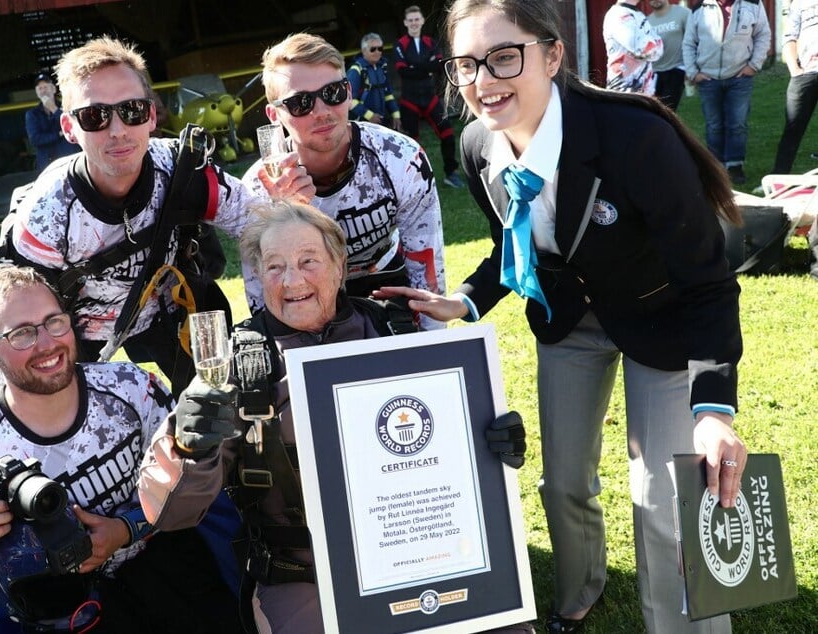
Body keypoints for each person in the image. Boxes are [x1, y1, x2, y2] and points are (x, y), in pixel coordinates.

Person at [376, 0, 746, 632]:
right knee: (562, 483)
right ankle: (580, 592)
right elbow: (513, 242)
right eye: (466, 64)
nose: (484, 81)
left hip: (663, 320)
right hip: (569, 321)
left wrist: (712, 411)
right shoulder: (474, 144)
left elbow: (707, 282)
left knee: (662, 501)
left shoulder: (637, 137)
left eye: (503, 57)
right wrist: (463, 299)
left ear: (552, 54)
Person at [137, 200, 528, 633]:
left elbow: (445, 451)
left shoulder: (393, 332)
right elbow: (171, 514)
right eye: (274, 267)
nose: (292, 280)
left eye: (309, 261)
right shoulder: (241, 365)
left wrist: (491, 441)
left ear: (340, 266)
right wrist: (186, 446)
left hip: (417, 549)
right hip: (305, 574)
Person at [0, 265, 240, 633]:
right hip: (62, 607)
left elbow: (192, 486)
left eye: (54, 322)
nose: (47, 344)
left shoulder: (132, 388)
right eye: (22, 334)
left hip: (167, 570)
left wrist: (125, 530)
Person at [10, 36, 312, 394]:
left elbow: (257, 227)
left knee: (222, 415)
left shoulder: (183, 167)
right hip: (79, 331)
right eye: (95, 116)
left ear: (152, 115)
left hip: (169, 313)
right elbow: (24, 320)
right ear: (68, 128)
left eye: (132, 111)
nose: (118, 130)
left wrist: (291, 215)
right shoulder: (47, 213)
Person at [243, 32, 446, 330]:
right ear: (275, 115)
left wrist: (432, 344)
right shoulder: (259, 188)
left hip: (386, 280)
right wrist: (287, 217)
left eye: (333, 93)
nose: (322, 112)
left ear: (350, 92)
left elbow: (427, 268)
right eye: (301, 103)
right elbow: (265, 299)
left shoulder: (400, 158)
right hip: (304, 295)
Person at [683, 0, 771, 185]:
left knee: (737, 123)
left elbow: (763, 35)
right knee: (713, 124)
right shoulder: (700, 8)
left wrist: (754, 66)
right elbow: (689, 42)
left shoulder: (753, 4)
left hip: (739, 76)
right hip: (708, 77)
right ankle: (715, 168)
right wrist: (693, 72)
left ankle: (735, 166)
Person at [395, 5, 464, 188]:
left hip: (430, 98)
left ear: (422, 21)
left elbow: (438, 66)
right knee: (410, 145)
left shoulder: (430, 42)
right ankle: (415, 182)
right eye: (410, 20)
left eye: (417, 19)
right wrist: (427, 66)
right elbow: (403, 71)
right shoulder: (401, 44)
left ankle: (451, 173)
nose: (414, 23)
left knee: (448, 135)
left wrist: (416, 66)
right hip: (409, 100)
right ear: (405, 23)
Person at [771, 0, 818, 174]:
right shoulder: (799, 3)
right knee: (793, 126)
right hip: (804, 72)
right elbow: (790, 37)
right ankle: (779, 177)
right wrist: (794, 69)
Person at [602, 0, 664, 95]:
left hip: (643, 93)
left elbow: (658, 47)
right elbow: (644, 49)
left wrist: (655, 46)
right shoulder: (618, 14)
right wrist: (655, 45)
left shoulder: (637, 14)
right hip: (624, 93)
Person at [25, 72, 80, 171]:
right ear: (37, 93)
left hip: (70, 162)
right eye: (40, 88)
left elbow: (74, 126)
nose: (43, 91)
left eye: (46, 87)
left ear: (54, 89)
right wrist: (58, 134)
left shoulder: (68, 107)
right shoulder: (32, 114)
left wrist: (55, 110)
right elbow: (35, 140)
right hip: (47, 165)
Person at [347, 33, 402, 130]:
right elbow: (349, 100)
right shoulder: (356, 71)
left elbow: (388, 94)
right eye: (373, 49)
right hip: (362, 124)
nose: (377, 52)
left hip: (380, 122)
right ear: (364, 51)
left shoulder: (382, 68)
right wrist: (369, 115)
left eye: (380, 48)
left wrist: (396, 114)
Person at [646, 0, 692, 109]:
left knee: (668, 109)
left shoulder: (683, 13)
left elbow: (693, 39)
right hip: (654, 71)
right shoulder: (647, 21)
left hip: (676, 68)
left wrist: (690, 68)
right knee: (654, 109)